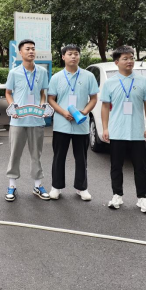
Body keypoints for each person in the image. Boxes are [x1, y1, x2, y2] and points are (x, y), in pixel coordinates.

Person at [101, 46, 146, 214]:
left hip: (137, 132)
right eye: (125, 58)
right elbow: (105, 106)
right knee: (116, 166)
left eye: (131, 58)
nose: (130, 61)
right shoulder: (109, 83)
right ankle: (117, 195)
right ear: (116, 62)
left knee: (140, 167)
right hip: (117, 131)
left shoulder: (143, 81)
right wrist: (105, 128)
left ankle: (142, 198)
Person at [47, 45, 99, 201]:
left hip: (81, 124)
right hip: (61, 124)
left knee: (81, 158)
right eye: (70, 54)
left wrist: (84, 112)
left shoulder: (88, 76)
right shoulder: (56, 77)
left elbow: (94, 98)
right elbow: (51, 99)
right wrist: (63, 112)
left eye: (76, 54)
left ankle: (81, 188)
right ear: (63, 57)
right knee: (59, 157)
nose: (74, 56)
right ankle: (56, 186)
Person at [4, 39, 50, 202]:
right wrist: (13, 107)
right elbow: (8, 93)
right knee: (14, 154)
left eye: (33, 49)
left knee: (36, 155)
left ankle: (37, 185)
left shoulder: (42, 72)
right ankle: (12, 186)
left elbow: (43, 93)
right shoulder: (14, 72)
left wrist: (42, 105)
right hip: (18, 120)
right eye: (28, 49)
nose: (31, 51)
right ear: (20, 53)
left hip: (36, 120)